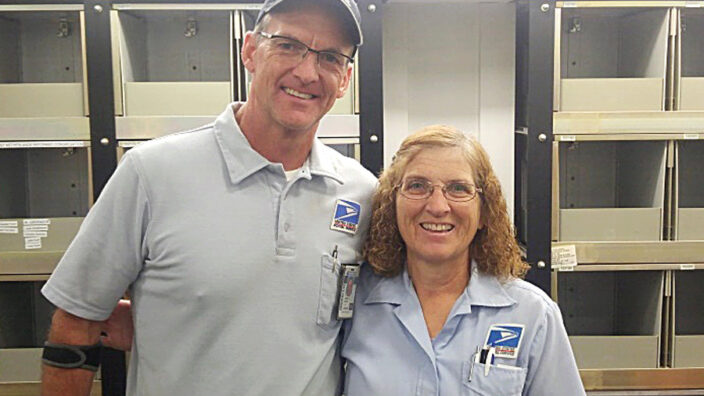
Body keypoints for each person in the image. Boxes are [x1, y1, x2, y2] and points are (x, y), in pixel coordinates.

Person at [40, 0, 376, 395]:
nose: (306, 72)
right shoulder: (152, 173)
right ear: (250, 50)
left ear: (345, 79)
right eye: (287, 45)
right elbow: (76, 322)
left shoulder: (361, 192)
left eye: (330, 58)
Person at [341, 125, 586, 395]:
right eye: (417, 186)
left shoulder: (533, 315)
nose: (437, 207)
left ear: (484, 211)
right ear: (391, 204)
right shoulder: (354, 304)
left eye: (458, 188)